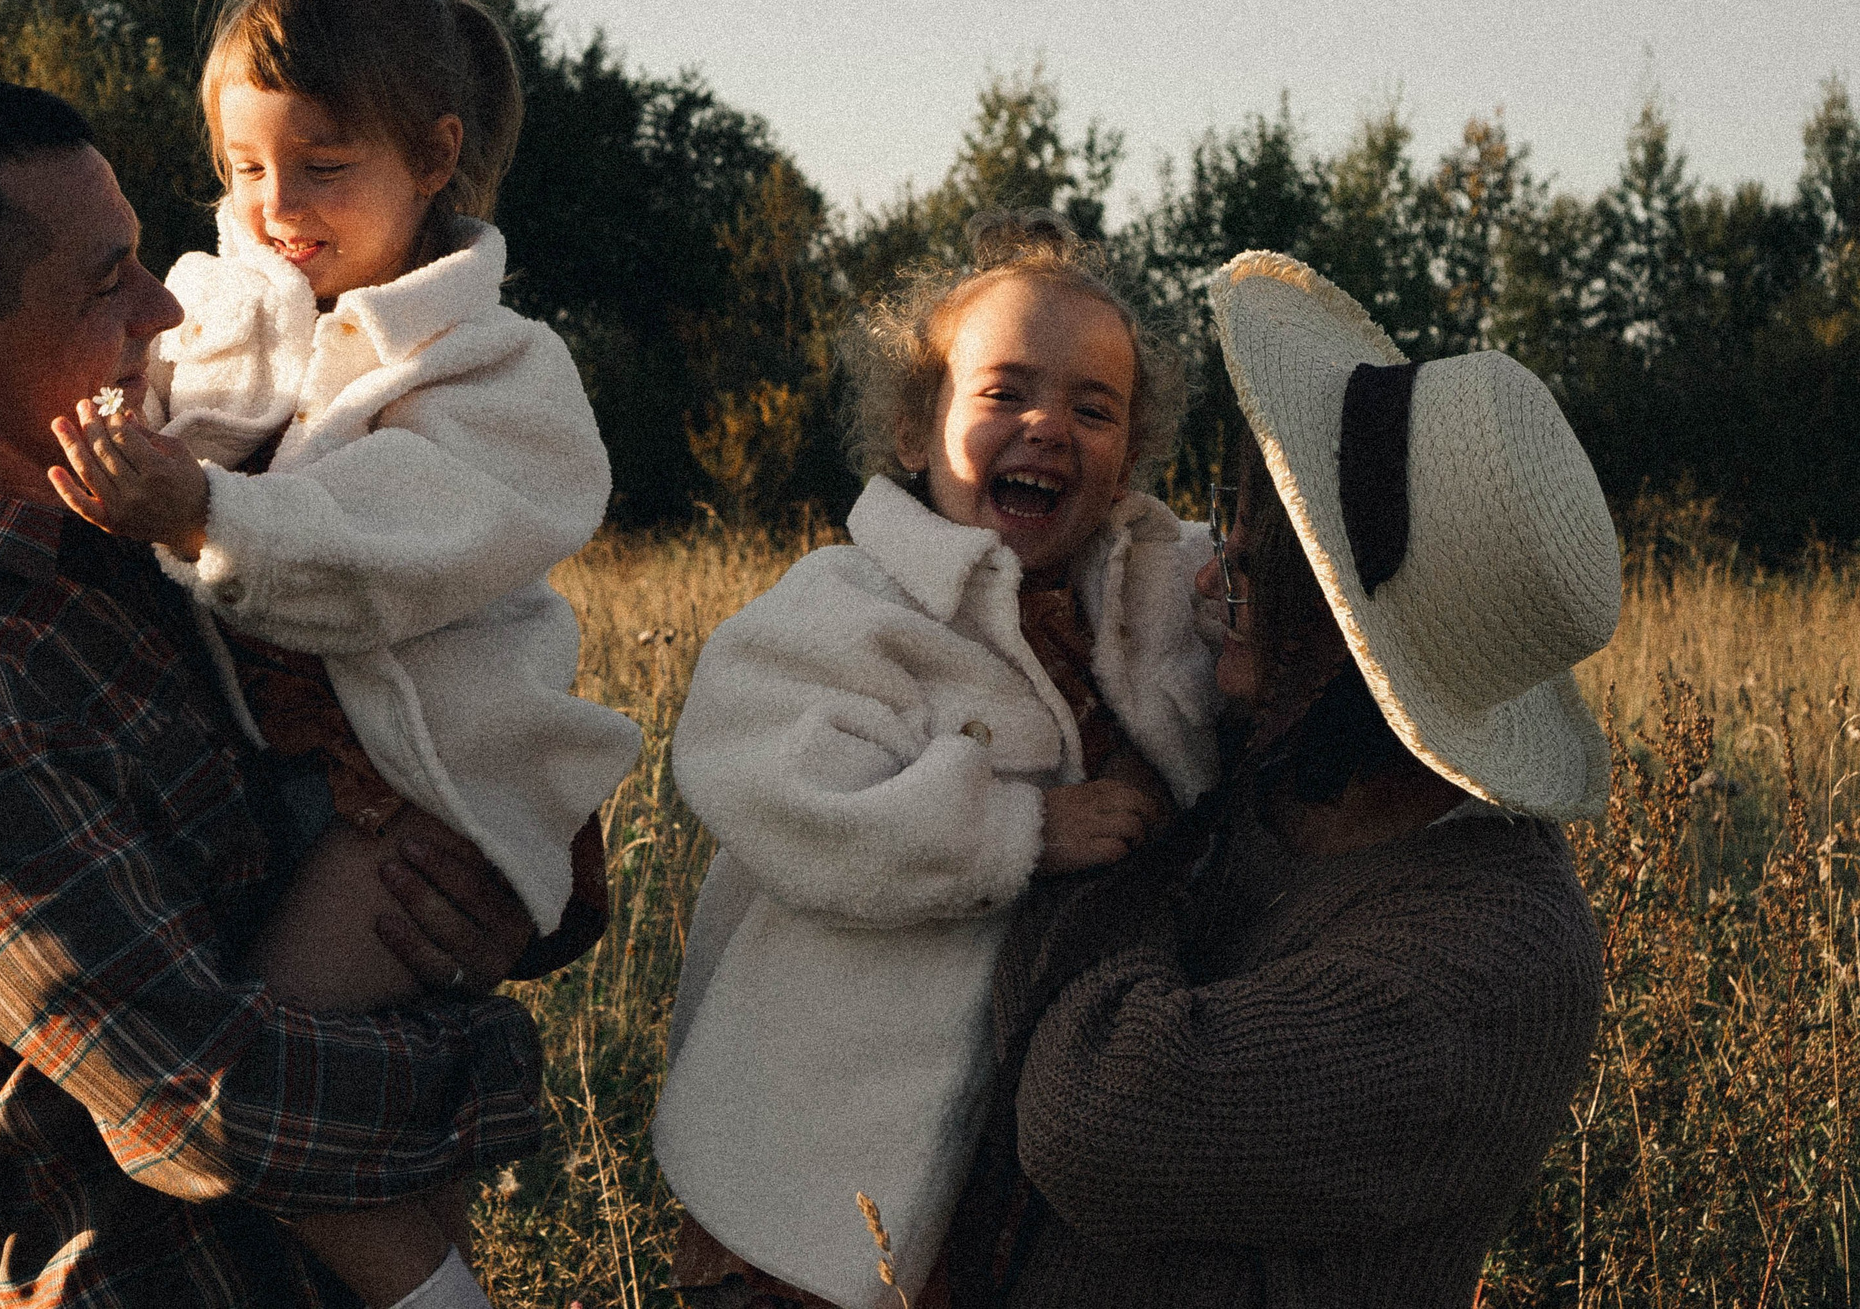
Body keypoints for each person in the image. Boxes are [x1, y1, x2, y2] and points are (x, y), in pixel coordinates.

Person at [0, 0, 640, 1304]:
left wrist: (198, 504)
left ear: (434, 158)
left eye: (320, 167)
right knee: (312, 1048)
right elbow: (214, 1097)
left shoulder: (492, 365)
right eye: (242, 170)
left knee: (338, 1008)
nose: (269, 212)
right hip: (123, 1261)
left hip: (416, 791)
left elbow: (397, 541)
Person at [953, 249, 1618, 1307]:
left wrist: (1121, 816)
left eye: (1258, 564)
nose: (1210, 577)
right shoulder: (1285, 758)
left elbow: (1094, 1122)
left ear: (1354, 643)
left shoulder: (1491, 963)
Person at [654, 212, 1223, 1309]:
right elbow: (784, 793)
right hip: (824, 1134)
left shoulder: (1139, 603)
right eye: (1005, 393)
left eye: (1093, 410)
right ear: (916, 431)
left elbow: (1236, 618)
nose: (1047, 426)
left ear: (1127, 465)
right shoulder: (849, 607)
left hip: (1015, 1151)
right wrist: (1020, 826)